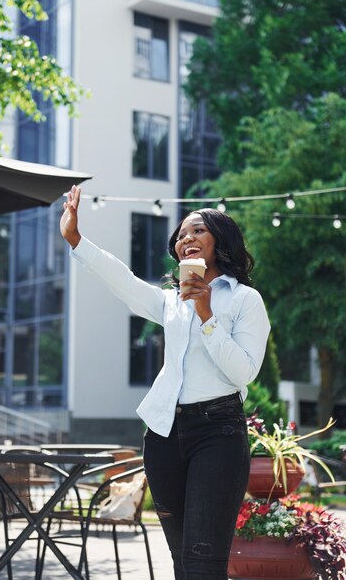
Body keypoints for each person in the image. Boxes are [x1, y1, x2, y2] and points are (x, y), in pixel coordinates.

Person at [60, 185, 270, 580]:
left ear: (220, 241)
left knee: (203, 558)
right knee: (180, 557)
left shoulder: (245, 301)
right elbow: (124, 282)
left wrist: (207, 314)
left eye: (198, 231)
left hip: (218, 432)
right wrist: (76, 239)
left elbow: (242, 374)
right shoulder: (170, 302)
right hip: (163, 434)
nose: (185, 238)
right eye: (181, 235)